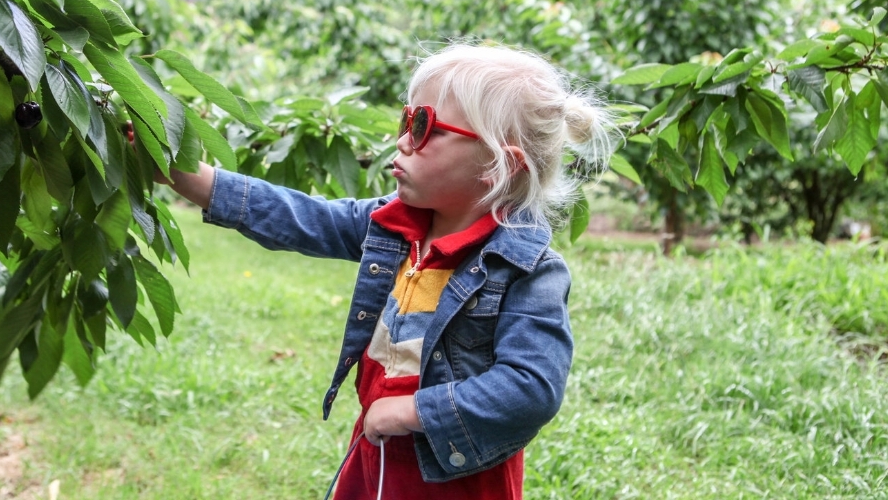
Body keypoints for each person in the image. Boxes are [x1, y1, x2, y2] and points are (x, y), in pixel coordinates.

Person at [156, 44, 613, 499]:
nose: (402, 141)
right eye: (406, 119)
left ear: (498, 166)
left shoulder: (528, 270)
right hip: (377, 446)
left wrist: (412, 410)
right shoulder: (395, 226)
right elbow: (305, 218)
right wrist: (187, 174)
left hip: (454, 471)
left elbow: (531, 388)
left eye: (423, 126)